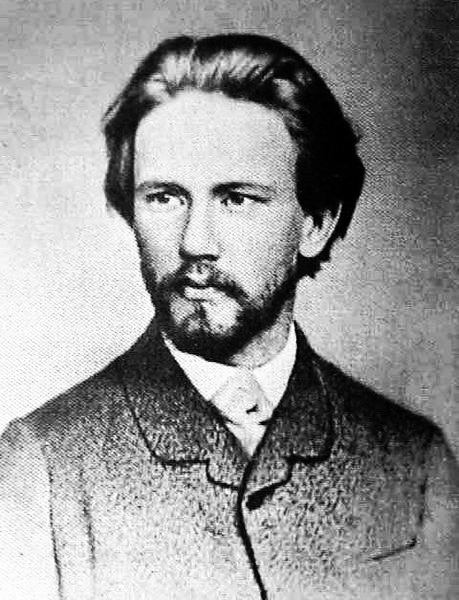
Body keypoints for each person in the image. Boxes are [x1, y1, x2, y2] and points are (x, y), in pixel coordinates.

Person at [0, 33, 457, 600]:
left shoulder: (415, 462)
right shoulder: (39, 466)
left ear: (315, 225)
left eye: (236, 199)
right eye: (165, 197)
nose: (195, 242)